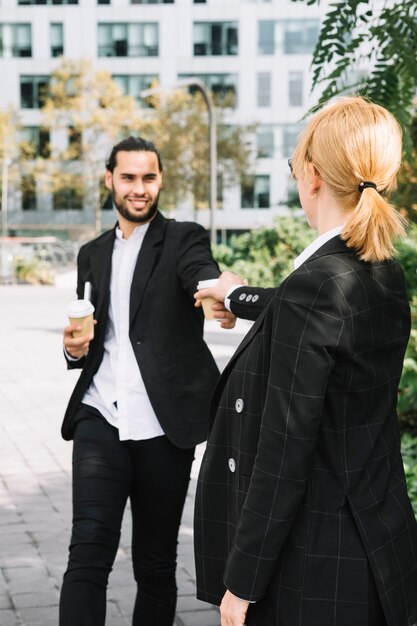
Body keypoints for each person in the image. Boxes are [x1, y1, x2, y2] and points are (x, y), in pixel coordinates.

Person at [193, 97, 417, 626]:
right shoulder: (380, 272)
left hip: (315, 567)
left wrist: (241, 584)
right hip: (378, 548)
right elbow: (302, 308)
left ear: (312, 176)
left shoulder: (316, 287)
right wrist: (238, 294)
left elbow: (282, 454)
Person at [59, 136, 234, 626]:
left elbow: (202, 274)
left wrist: (220, 291)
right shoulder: (90, 254)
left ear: (159, 181)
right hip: (101, 416)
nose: (140, 189)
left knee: (155, 562)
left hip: (163, 427)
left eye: (149, 178)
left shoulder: (183, 239)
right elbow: (89, 335)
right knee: (88, 548)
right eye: (129, 177)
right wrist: (73, 349)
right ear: (110, 178)